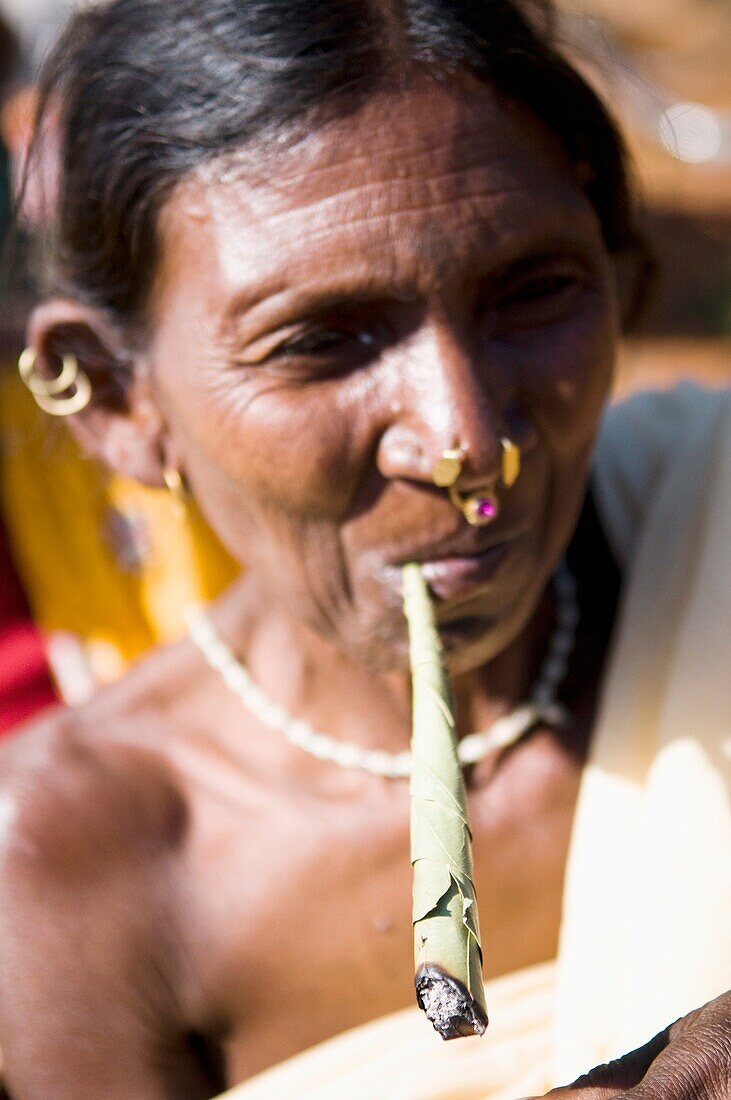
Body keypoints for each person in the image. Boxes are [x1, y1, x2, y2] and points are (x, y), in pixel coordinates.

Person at [0, 2, 728, 1098]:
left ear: (623, 280)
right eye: (322, 340)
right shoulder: (68, 865)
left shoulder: (710, 527)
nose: (464, 440)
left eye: (532, 290)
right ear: (115, 400)